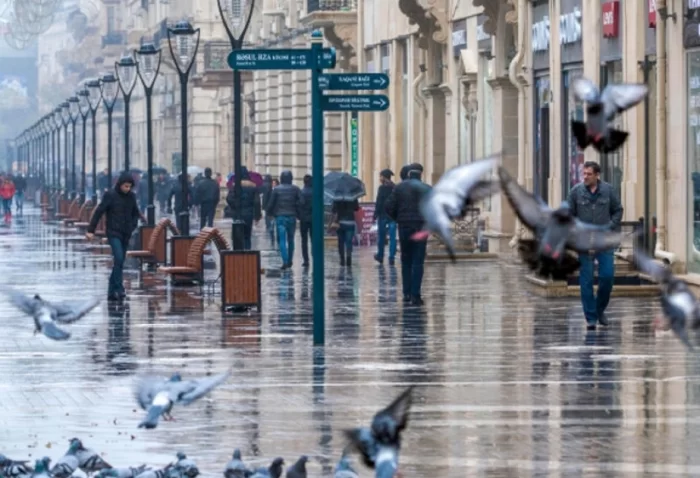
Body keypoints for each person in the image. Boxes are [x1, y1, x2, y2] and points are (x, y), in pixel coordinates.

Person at [567, 160, 623, 330]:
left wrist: (609, 227)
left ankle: (599, 310)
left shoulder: (608, 190)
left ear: (597, 175)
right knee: (586, 280)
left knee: (607, 277)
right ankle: (591, 318)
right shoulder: (576, 192)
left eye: (589, 174)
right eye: (584, 173)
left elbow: (618, 210)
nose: (585, 177)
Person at [86, 172, 144, 301]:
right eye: (125, 186)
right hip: (113, 233)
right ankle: (119, 288)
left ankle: (112, 291)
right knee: (118, 257)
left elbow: (135, 213)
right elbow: (99, 211)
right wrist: (91, 230)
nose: (127, 189)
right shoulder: (110, 195)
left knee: (120, 261)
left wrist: (132, 226)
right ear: (120, 184)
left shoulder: (131, 197)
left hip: (126, 233)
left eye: (129, 187)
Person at [385, 165, 429, 306]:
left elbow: (388, 206)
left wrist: (398, 218)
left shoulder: (399, 188)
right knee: (418, 261)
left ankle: (406, 294)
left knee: (406, 260)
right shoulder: (427, 189)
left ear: (409, 176)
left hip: (404, 227)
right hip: (421, 227)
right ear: (420, 176)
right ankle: (416, 295)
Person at [265, 170, 300, 270]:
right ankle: (290, 260)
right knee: (291, 239)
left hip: (280, 217)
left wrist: (270, 213)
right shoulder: (296, 189)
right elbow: (301, 201)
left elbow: (271, 203)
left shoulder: (276, 189)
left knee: (282, 240)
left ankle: (284, 261)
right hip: (292, 216)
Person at [226, 166, 261, 250]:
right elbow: (257, 202)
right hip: (248, 213)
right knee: (247, 236)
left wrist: (234, 206)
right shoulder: (253, 187)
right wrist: (257, 216)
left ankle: (238, 253)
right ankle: (247, 252)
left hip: (237, 214)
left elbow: (229, 198)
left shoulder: (235, 186)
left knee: (237, 235)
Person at [373, 168, 397, 265]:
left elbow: (379, 202)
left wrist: (375, 214)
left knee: (382, 237)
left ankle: (380, 255)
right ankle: (391, 257)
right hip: (393, 216)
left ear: (384, 177)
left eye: (381, 176)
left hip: (383, 215)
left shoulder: (382, 188)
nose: (380, 178)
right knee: (392, 237)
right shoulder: (395, 187)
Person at [332, 197, 359, 267]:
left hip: (340, 222)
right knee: (349, 241)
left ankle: (342, 260)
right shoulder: (352, 196)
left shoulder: (337, 196)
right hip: (350, 222)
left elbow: (334, 210)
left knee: (340, 241)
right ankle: (349, 258)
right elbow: (356, 208)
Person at [298, 174, 313, 267]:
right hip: (313, 219)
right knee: (313, 240)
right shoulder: (315, 192)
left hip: (303, 219)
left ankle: (306, 260)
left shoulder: (301, 192)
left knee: (304, 240)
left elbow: (299, 205)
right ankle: (315, 256)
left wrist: (299, 216)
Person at [260, 175, 275, 243]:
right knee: (269, 216)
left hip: (266, 202)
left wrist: (263, 205)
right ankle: (269, 226)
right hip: (269, 202)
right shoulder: (269, 185)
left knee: (267, 216)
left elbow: (264, 195)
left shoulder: (264, 185)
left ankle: (268, 226)